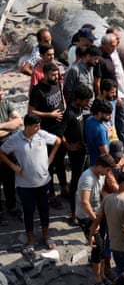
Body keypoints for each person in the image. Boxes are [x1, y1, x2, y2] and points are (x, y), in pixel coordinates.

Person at [0, 114, 60, 248]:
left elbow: (58, 141)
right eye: (35, 126)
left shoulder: (42, 135)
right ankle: (31, 239)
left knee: (44, 210)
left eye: (39, 125)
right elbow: (2, 152)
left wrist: (50, 159)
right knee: (28, 211)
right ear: (27, 126)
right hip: (25, 185)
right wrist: (13, 166)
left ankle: (46, 235)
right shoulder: (15, 139)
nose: (38, 128)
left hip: (43, 182)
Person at [28, 62, 67, 210]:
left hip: (60, 130)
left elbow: (61, 101)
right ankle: (51, 195)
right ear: (44, 74)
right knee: (49, 165)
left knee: (60, 162)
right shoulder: (38, 91)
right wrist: (49, 115)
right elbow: (31, 111)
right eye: (52, 75)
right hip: (47, 133)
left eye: (56, 74)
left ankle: (64, 188)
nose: (55, 77)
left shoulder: (57, 83)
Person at [75, 154, 116, 285]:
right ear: (100, 166)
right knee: (97, 246)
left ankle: (102, 273)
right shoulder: (87, 178)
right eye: (107, 170)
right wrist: (95, 220)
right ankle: (97, 278)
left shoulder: (101, 175)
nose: (108, 173)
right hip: (87, 216)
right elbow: (85, 202)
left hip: (98, 213)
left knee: (102, 243)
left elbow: (101, 192)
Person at [63, 83, 92, 222]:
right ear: (78, 99)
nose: (88, 103)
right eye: (86, 100)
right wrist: (69, 146)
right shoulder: (69, 113)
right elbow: (59, 133)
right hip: (76, 154)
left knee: (84, 180)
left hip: (83, 151)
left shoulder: (80, 109)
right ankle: (73, 212)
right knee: (75, 182)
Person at [0, 85, 23, 225]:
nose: (1, 95)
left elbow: (19, 122)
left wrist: (2, 127)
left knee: (9, 180)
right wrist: (9, 125)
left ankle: (12, 206)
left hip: (8, 149)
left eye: (1, 91)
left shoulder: (6, 103)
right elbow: (13, 125)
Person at [106, 27, 124, 153]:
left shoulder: (116, 52)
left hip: (121, 92)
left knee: (122, 120)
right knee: (114, 122)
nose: (119, 41)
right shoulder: (106, 55)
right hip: (115, 95)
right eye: (117, 39)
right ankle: (120, 145)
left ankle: (123, 144)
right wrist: (117, 95)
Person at [84, 99, 112, 166]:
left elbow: (95, 137)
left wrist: (106, 135)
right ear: (99, 114)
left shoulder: (89, 120)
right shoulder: (101, 130)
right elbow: (105, 153)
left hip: (91, 160)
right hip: (99, 165)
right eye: (107, 114)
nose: (110, 117)